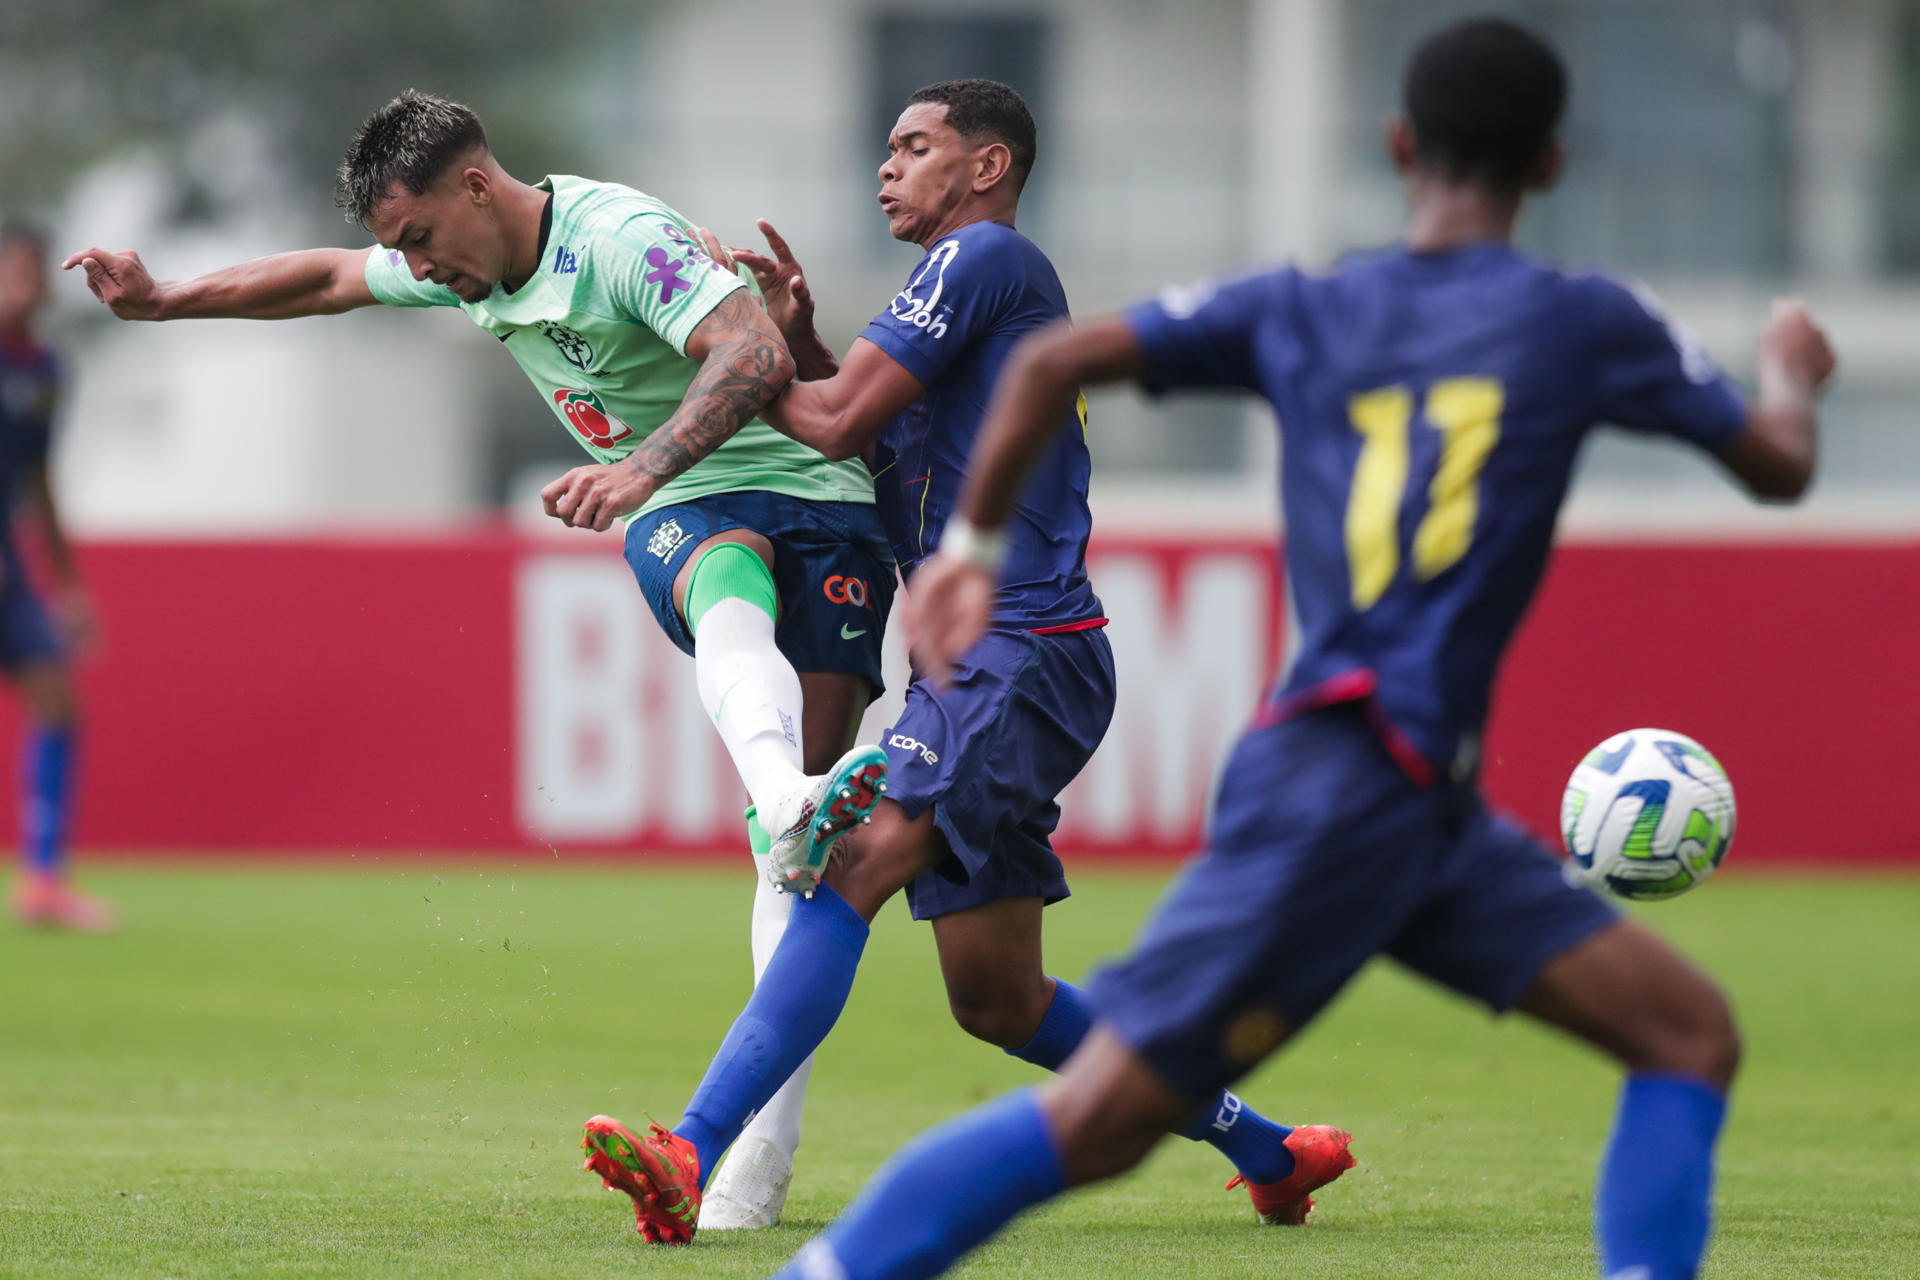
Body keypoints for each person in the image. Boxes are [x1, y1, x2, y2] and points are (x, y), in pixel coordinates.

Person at [775, 19, 1837, 1280]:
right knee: (1099, 1116)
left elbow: (1061, 353)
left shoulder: (1309, 303)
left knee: (1687, 1030)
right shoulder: (1587, 320)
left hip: (1411, 801)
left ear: (1399, 148)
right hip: (1350, 781)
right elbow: (1780, 463)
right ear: (1551, 163)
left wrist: (966, 548)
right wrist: (1787, 371)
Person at [62, 90, 894, 1227]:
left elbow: (749, 348)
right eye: (399, 247)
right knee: (719, 579)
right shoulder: (462, 261)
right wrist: (164, 301)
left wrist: (638, 464)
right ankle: (777, 844)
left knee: (796, 873)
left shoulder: (618, 240)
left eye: (418, 239)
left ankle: (760, 1117)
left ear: (475, 187)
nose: (415, 267)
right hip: (690, 505)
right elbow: (323, 279)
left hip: (823, 500)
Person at [577, 78, 1351, 1248]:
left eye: (914, 145)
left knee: (840, 864)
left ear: (985, 168)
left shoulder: (982, 258)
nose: (886, 165)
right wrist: (794, 343)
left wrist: (740, 351)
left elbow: (830, 426)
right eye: (886, 146)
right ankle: (1272, 1150)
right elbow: (870, 431)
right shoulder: (963, 289)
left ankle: (691, 1144)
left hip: (1017, 645)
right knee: (999, 997)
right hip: (996, 659)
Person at [1, 223, 111, 932]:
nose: (28, 284)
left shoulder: (42, 372)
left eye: (36, 272)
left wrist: (67, 585)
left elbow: (39, 482)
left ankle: (43, 881)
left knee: (57, 703)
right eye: (16, 269)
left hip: (8, 567)